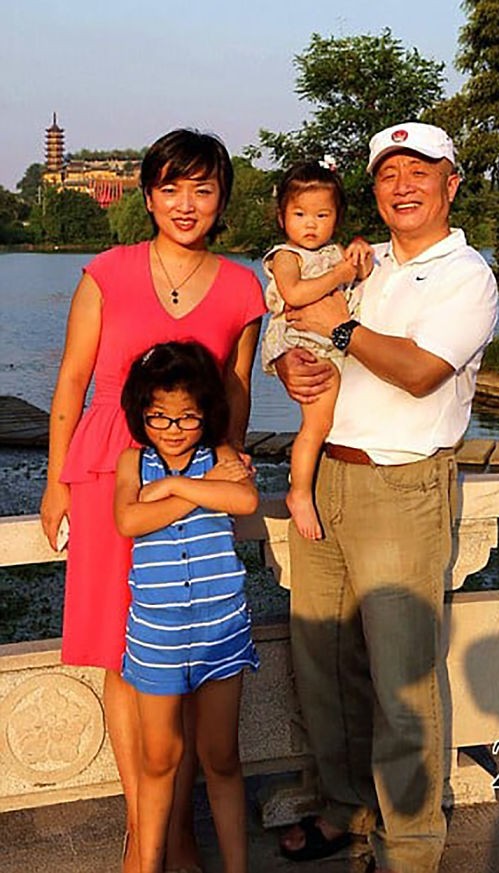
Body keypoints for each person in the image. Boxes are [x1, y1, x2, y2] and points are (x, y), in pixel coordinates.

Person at [39, 128, 266, 873]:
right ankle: (147, 828)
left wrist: (230, 452)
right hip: (110, 467)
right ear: (147, 196)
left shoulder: (242, 287)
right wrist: (53, 482)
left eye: (202, 188)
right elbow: (72, 382)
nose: (186, 203)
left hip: (194, 474)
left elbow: (234, 388)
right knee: (119, 648)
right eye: (170, 188)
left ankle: (178, 832)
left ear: (222, 198)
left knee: (184, 640)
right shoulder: (107, 271)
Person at [275, 122, 499, 873]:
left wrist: (339, 325)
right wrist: (291, 372)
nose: (402, 186)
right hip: (328, 477)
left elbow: (418, 371)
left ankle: (408, 848)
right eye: (387, 174)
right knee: (324, 665)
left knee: (403, 680)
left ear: (450, 184)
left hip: (402, 488)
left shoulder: (467, 274)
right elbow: (301, 330)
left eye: (419, 171)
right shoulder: (359, 263)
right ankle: (344, 809)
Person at [114, 341, 259, 873]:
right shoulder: (133, 460)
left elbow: (244, 500)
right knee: (159, 759)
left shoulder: (220, 455)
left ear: (207, 413)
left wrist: (176, 485)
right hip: (156, 635)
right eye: (158, 416)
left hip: (222, 627)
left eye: (186, 417)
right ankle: (148, 862)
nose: (172, 428)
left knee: (221, 756)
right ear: (141, 412)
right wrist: (202, 492)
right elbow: (127, 520)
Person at [260, 162, 373, 539]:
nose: (310, 224)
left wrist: (357, 249)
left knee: (330, 417)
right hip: (301, 341)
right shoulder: (285, 256)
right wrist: (340, 274)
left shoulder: (333, 251)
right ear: (282, 217)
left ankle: (309, 483)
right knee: (317, 423)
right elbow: (293, 294)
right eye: (300, 214)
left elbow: (364, 271)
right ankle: (299, 492)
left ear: (336, 217)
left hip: (329, 340)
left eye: (322, 215)